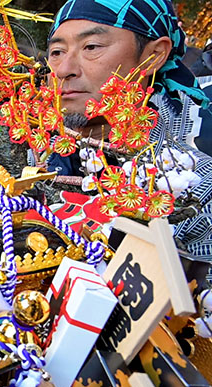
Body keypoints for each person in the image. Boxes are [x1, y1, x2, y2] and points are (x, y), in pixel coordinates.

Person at [45, 0, 212, 261]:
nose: (64, 70)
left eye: (91, 47)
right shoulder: (33, 157)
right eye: (56, 52)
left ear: (153, 55)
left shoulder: (195, 188)